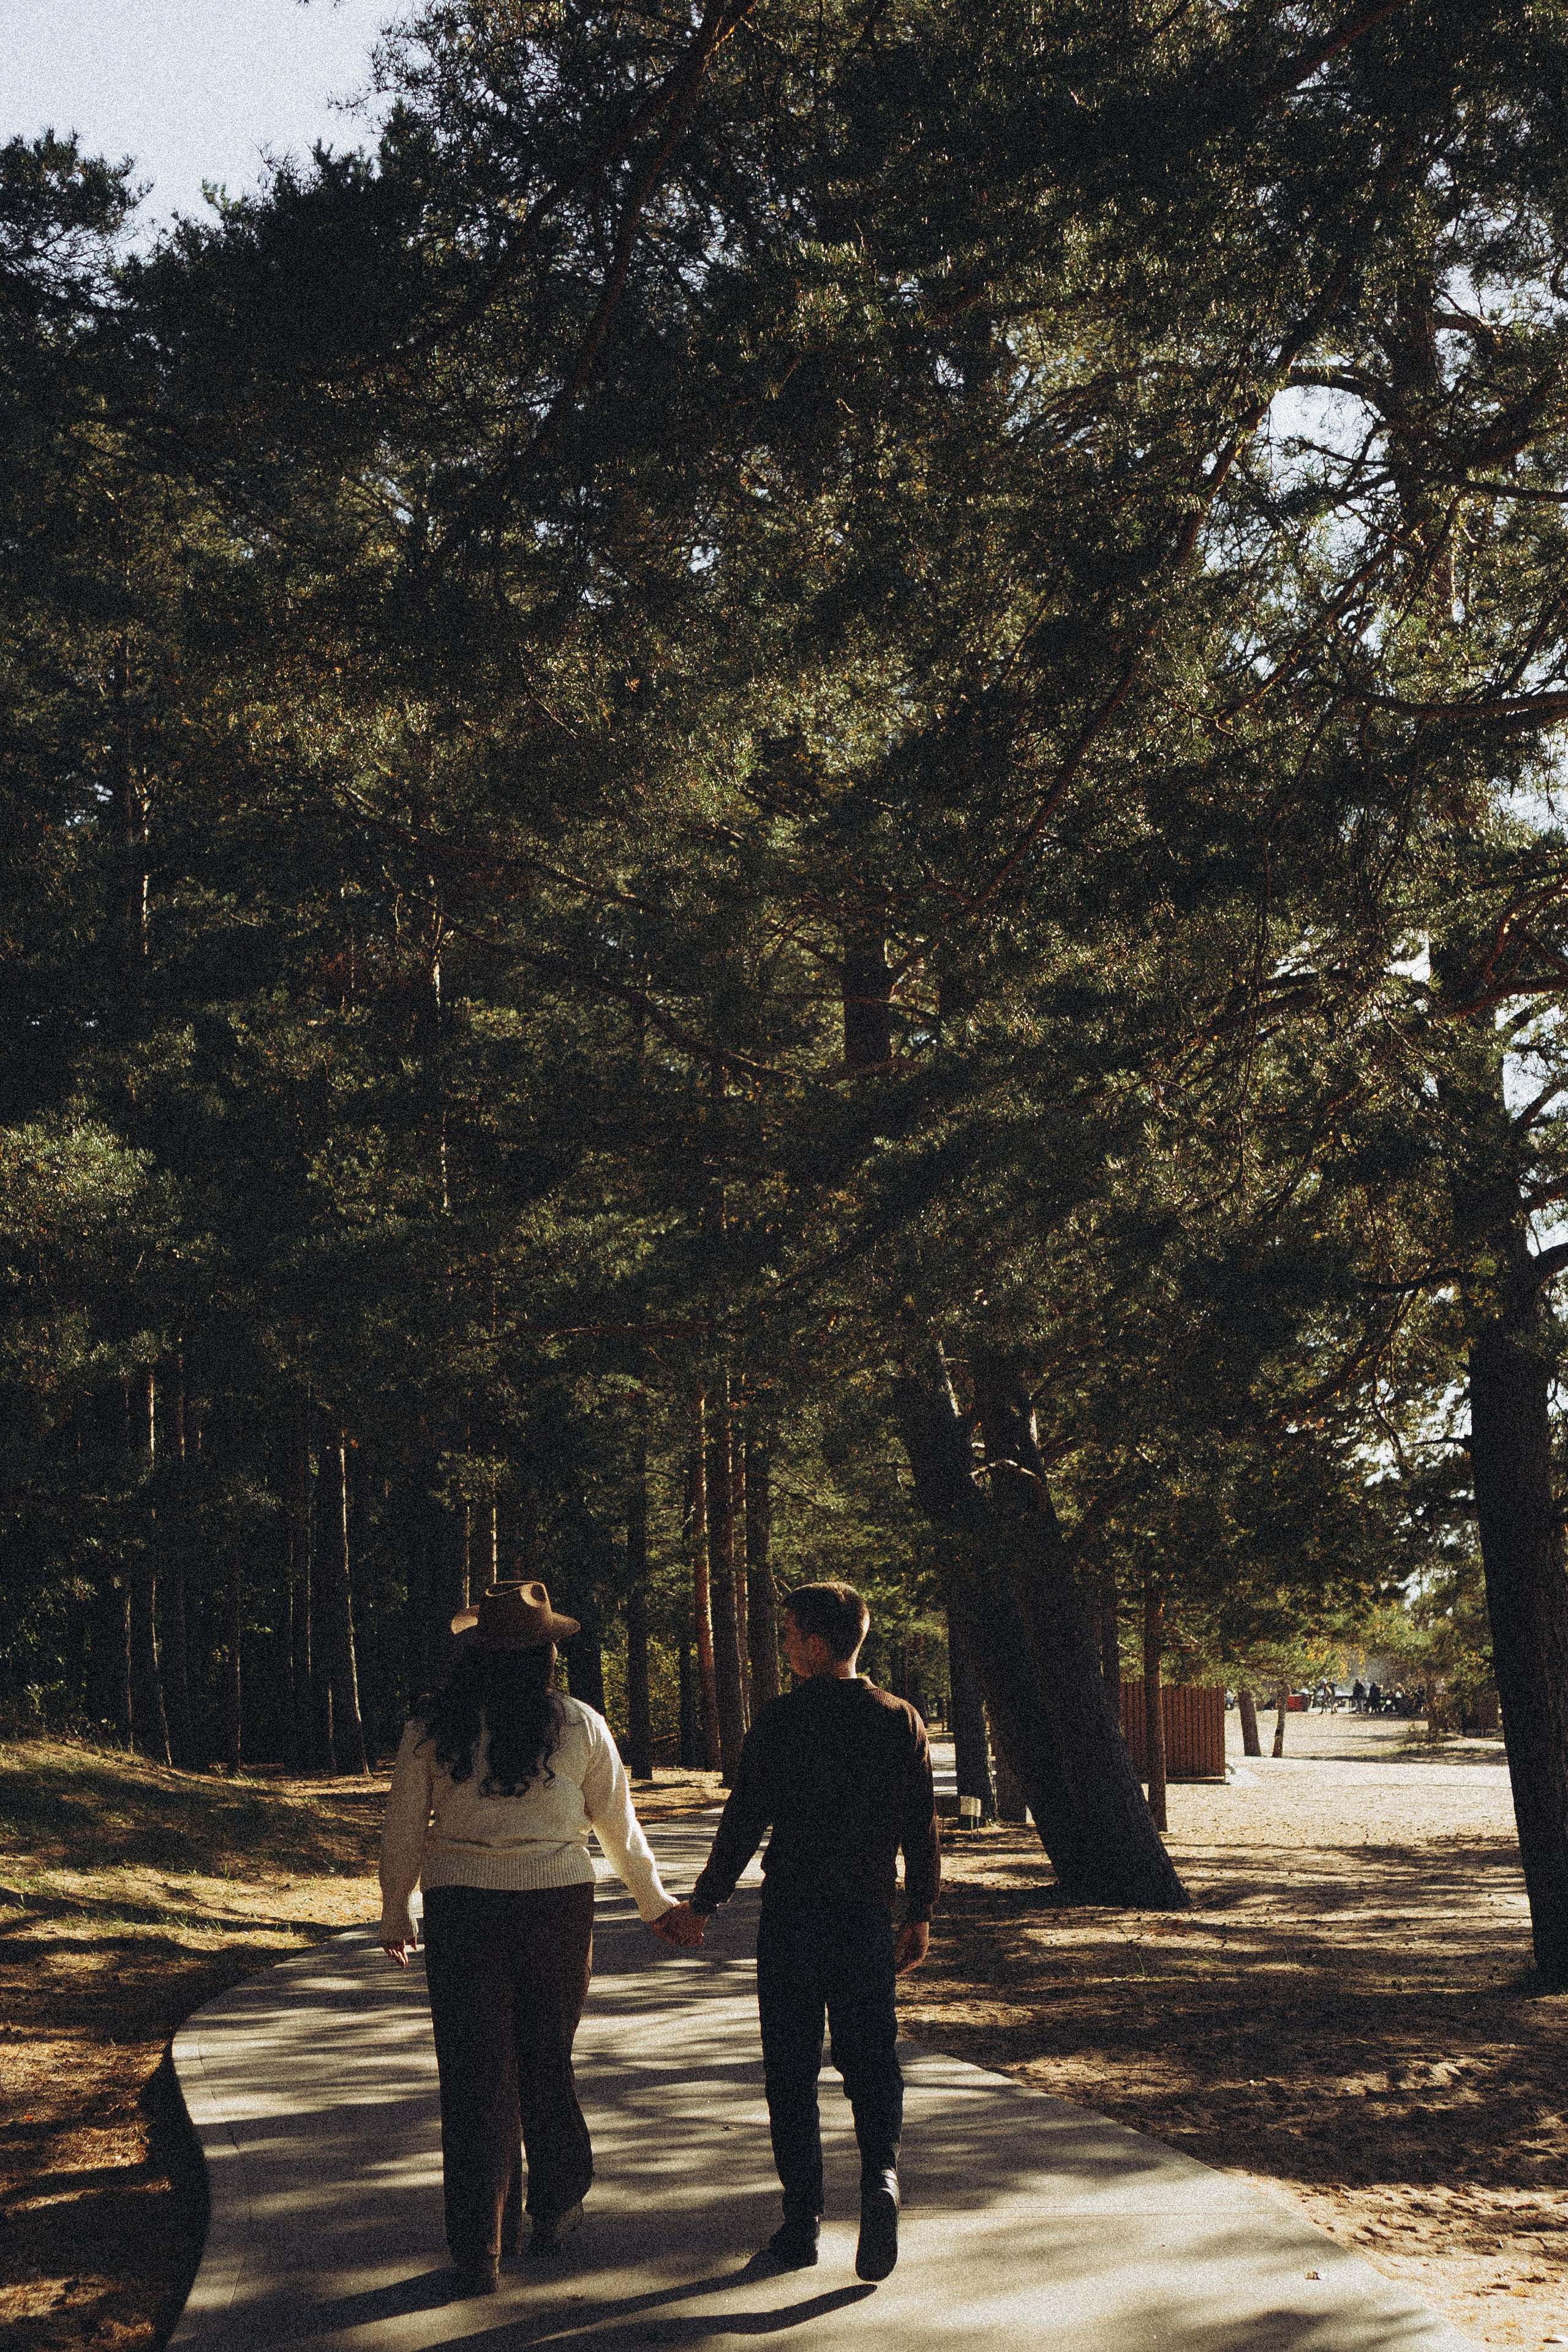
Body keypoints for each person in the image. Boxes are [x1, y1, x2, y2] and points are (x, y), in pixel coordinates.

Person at [379, 1580, 684, 2294]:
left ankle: (479, 2247)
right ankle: (553, 2209)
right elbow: (618, 1826)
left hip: (461, 1909)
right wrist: (655, 1905)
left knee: (474, 2070)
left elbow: (403, 1824)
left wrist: (397, 1911)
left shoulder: (432, 1726)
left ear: (477, 1651)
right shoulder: (579, 1725)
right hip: (556, 1906)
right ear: (547, 1655)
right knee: (546, 2056)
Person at [660, 1581, 940, 2285]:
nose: (784, 1646)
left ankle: (801, 2223)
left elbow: (744, 1822)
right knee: (870, 2057)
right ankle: (879, 2178)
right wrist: (921, 1913)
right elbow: (922, 1829)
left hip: (792, 1918)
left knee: (791, 2071)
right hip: (864, 1917)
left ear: (816, 1647)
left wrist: (703, 1904)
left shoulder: (781, 1722)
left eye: (788, 1636)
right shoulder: (899, 1719)